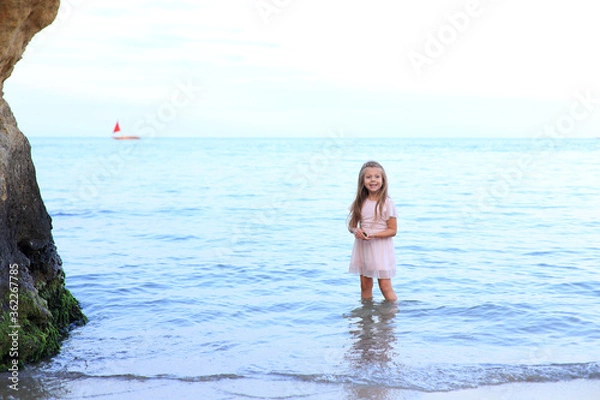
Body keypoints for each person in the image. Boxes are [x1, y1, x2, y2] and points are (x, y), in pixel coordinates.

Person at [348, 161, 398, 302]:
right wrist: (356, 230)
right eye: (368, 177)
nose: (373, 180)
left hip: (381, 248)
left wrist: (373, 235)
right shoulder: (360, 201)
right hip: (363, 247)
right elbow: (351, 225)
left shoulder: (387, 203)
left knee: (384, 285)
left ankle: (391, 318)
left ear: (383, 180)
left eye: (377, 177)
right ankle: (366, 320)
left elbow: (393, 230)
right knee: (365, 285)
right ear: (362, 181)